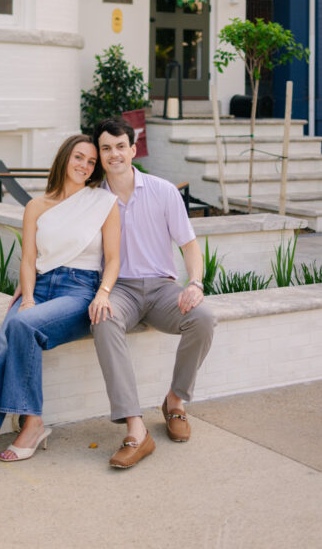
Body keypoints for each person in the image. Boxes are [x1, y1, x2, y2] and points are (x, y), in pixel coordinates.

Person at [0, 134, 120, 477]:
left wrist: (104, 292)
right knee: (9, 338)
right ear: (65, 159)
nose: (84, 166)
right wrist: (29, 296)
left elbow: (114, 259)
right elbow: (28, 260)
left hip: (79, 292)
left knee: (19, 326)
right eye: (79, 157)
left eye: (91, 162)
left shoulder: (102, 203)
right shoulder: (37, 206)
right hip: (39, 287)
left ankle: (32, 422)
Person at [91, 116, 215, 469]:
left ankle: (175, 401)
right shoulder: (93, 199)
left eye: (120, 146)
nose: (114, 154)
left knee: (204, 318)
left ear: (133, 149)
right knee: (103, 320)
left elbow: (190, 245)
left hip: (162, 289)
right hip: (120, 290)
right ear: (99, 155)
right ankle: (135, 428)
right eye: (105, 148)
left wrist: (195, 283)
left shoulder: (163, 191)